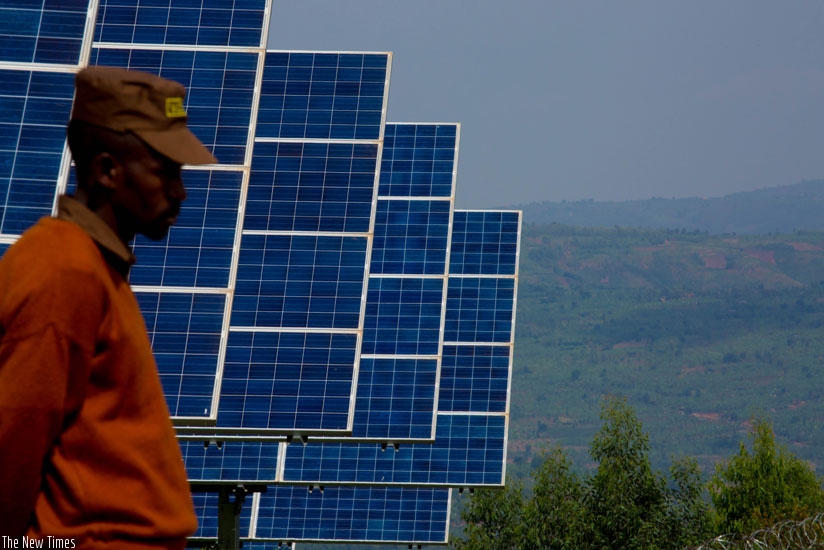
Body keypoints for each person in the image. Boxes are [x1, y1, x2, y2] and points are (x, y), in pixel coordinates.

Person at [0, 66, 216, 548]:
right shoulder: (63, 270)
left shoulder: (96, 268)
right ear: (105, 171)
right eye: (165, 171)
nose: (180, 191)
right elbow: (14, 440)